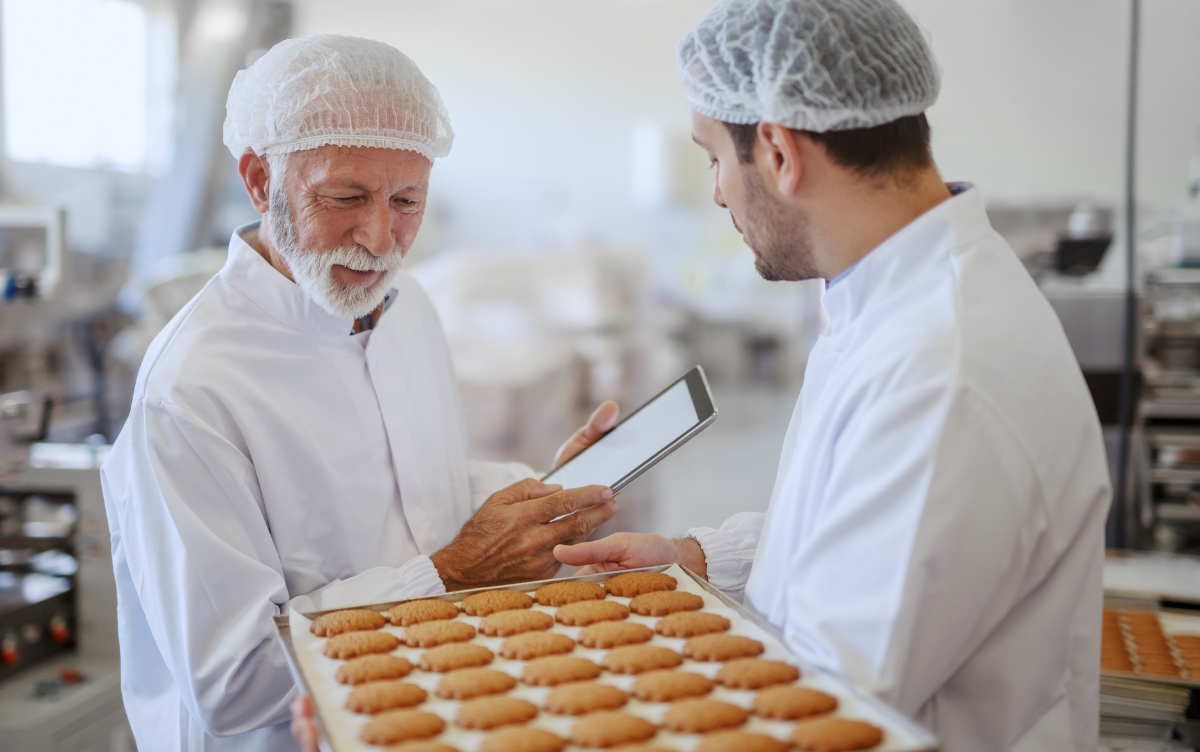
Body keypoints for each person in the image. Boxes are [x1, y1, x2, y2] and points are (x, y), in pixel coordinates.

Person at [556, 1, 1111, 750]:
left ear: (779, 152)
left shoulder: (939, 375)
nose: (717, 192)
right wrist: (696, 559)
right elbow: (863, 530)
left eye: (714, 158)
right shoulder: (890, 298)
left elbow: (821, 715)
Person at [102, 35, 620, 752]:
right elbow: (233, 681)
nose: (380, 239)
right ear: (260, 179)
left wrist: (539, 497)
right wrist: (452, 575)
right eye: (345, 198)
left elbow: (415, 491)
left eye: (408, 200)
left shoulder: (406, 309)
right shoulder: (192, 389)